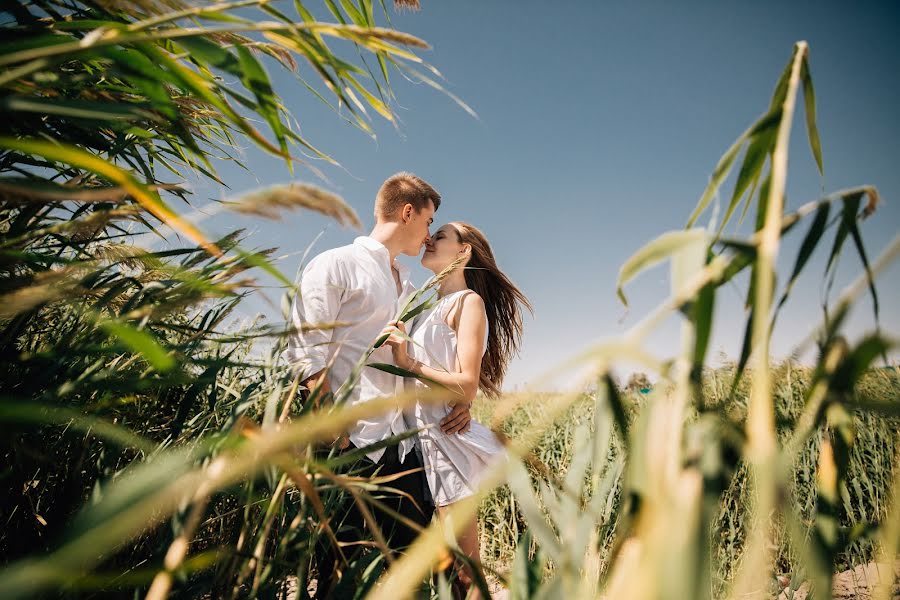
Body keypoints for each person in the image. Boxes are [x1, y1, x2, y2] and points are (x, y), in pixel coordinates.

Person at [284, 172, 450, 597]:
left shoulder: (410, 286)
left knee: (411, 578)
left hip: (405, 451)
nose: (429, 234)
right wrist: (337, 436)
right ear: (408, 212)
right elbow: (307, 353)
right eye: (428, 221)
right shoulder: (335, 264)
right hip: (353, 450)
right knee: (340, 581)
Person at [382, 222, 532, 599]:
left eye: (442, 235)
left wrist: (409, 364)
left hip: (448, 443)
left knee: (465, 569)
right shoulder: (428, 304)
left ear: (463, 252)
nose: (430, 238)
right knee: (445, 564)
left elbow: (466, 382)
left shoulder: (469, 303)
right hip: (424, 443)